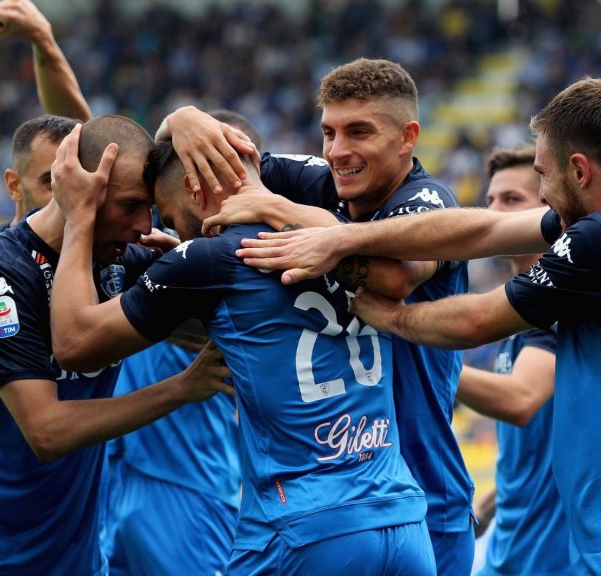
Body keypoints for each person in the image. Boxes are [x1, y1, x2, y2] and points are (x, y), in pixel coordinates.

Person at [238, 77, 601, 574]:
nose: (542, 192)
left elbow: (479, 320)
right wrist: (346, 238)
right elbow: (485, 229)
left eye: (543, 176)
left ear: (580, 170)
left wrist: (391, 315)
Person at [48, 128, 434, 574]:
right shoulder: (336, 231)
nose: (174, 232)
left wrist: (78, 217)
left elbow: (75, 344)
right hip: (402, 517)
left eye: (173, 219)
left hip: (303, 525)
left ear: (195, 188)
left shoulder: (211, 259)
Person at [170, 58, 476, 574]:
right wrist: (182, 118)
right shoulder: (318, 181)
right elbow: (210, 167)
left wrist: (273, 209)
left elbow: (399, 275)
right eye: (329, 133)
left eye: (359, 132)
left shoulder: (426, 200)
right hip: (327, 502)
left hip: (426, 499)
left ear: (408, 138)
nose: (338, 151)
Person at [0, 114, 232, 576]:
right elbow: (47, 432)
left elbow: (200, 329)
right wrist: (181, 388)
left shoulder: (126, 259)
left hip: (78, 556)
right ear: (84, 195)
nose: (145, 225)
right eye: (130, 206)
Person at [101, 108, 257, 576]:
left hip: (188, 487)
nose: (161, 224)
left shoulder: (237, 263)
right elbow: (98, 145)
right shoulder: (163, 259)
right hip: (120, 476)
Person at [455, 144, 569, 576]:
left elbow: (520, 399)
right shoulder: (516, 311)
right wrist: (488, 504)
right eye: (489, 201)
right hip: (509, 550)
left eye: (512, 200)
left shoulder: (559, 304)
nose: (494, 213)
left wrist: (424, 362)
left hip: (554, 560)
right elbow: (541, 447)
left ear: (549, 210)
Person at [0, 0, 92, 254]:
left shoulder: (106, 253)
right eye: (50, 183)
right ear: (14, 186)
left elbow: (85, 135)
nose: (67, 197)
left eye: (74, 181)